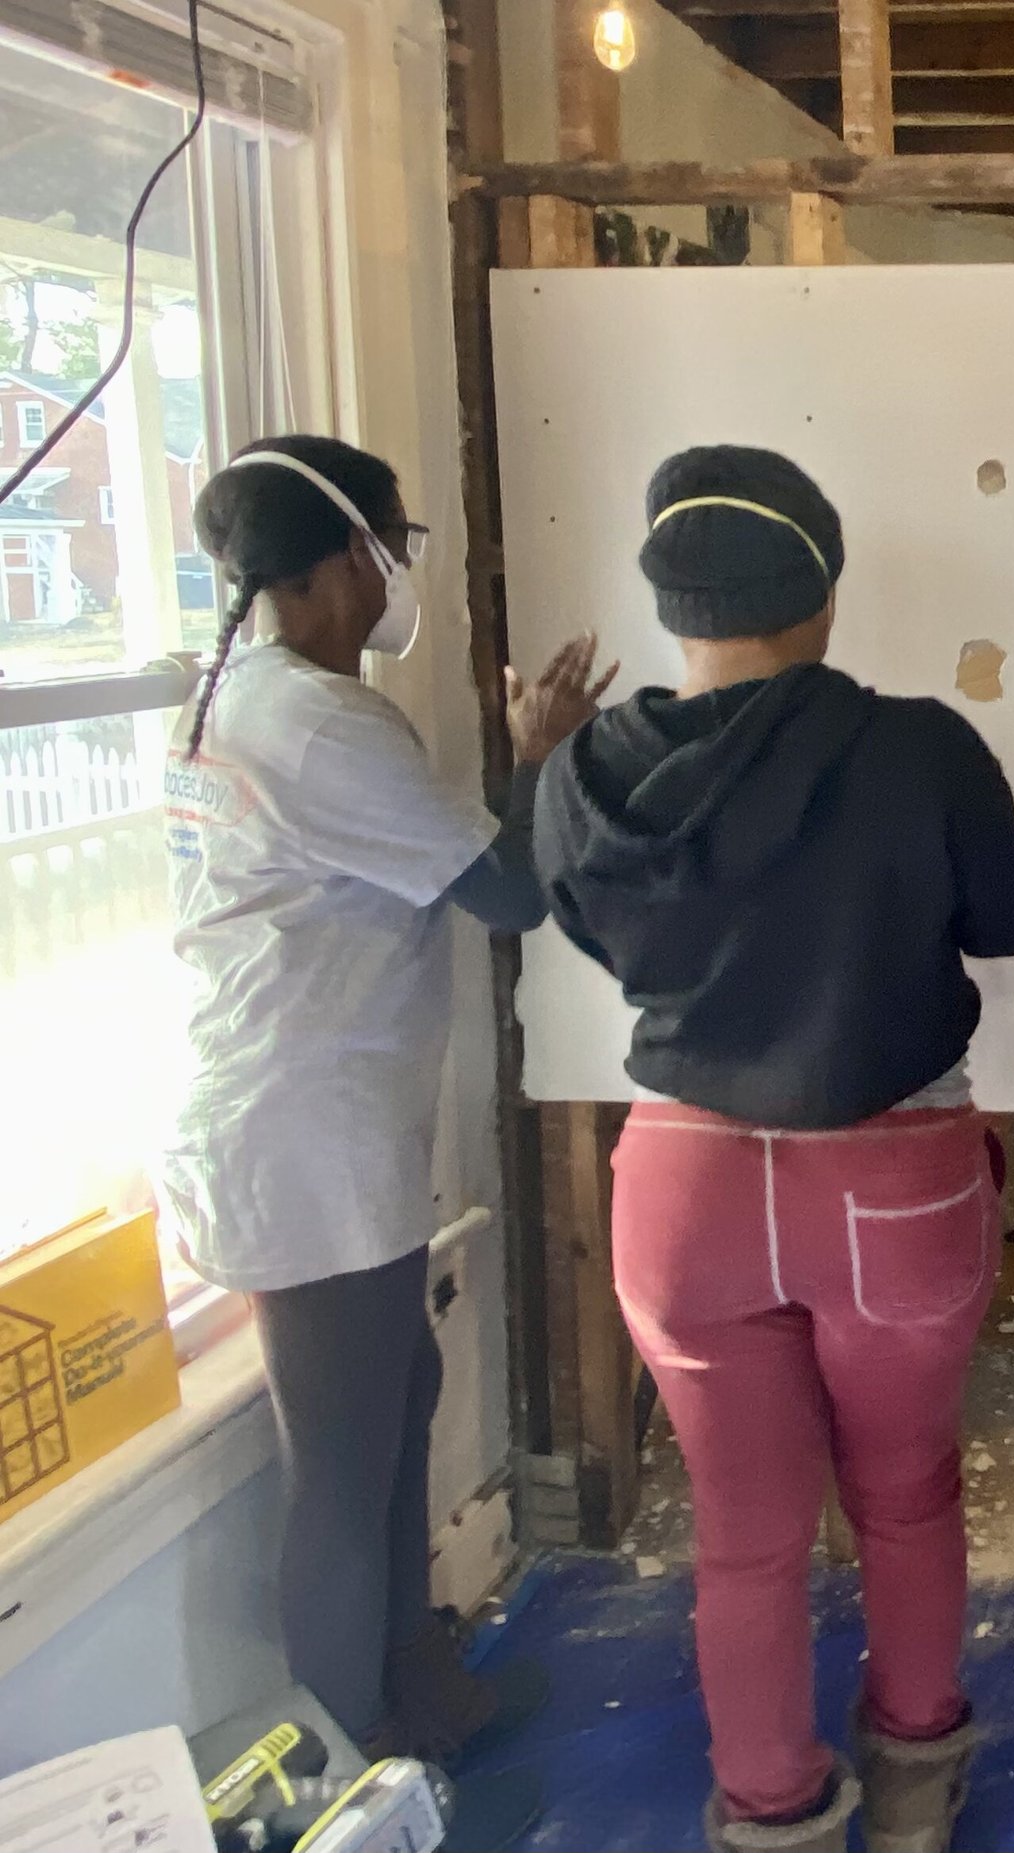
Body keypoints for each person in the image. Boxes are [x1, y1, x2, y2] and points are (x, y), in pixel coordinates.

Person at [533, 446, 1014, 1853]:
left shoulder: (583, 768)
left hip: (683, 1188)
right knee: (908, 1490)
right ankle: (916, 1789)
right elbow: (1010, 919)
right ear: (822, 592)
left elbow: (581, 925)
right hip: (891, 1177)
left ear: (666, 601)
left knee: (743, 1531)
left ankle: (773, 1812)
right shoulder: (919, 747)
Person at [161, 436, 603, 1847]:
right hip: (307, 1135)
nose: (397, 572)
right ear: (345, 552)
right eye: (393, 544)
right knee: (343, 1470)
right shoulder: (317, 726)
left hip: (307, 1117)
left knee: (399, 1393)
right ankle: (351, 1787)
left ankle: (419, 1697)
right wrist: (537, 756)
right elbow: (510, 892)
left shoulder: (246, 696)